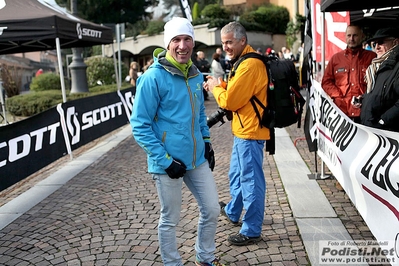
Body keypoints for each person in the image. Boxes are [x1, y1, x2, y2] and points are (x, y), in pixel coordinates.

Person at [130, 17, 224, 266]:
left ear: (193, 42)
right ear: (168, 44)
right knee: (170, 218)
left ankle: (204, 258)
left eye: (187, 39)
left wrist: (206, 141)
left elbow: (199, 115)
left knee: (212, 209)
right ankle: (172, 263)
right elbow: (140, 125)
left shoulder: (194, 75)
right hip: (166, 161)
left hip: (196, 158)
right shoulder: (152, 78)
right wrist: (165, 161)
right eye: (176, 40)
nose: (182, 45)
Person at [203, 21, 270, 246]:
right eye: (223, 43)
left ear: (243, 40)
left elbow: (231, 101)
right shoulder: (242, 61)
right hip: (243, 130)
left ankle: (251, 230)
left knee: (251, 181)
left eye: (230, 42)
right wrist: (220, 83)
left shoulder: (249, 65)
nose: (226, 47)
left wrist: (215, 88)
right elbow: (237, 90)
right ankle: (233, 211)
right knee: (237, 175)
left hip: (250, 132)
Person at [321, 24, 376, 122]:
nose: (352, 38)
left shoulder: (372, 57)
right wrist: (338, 95)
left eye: (355, 35)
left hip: (365, 111)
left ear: (362, 36)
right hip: (342, 111)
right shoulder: (336, 59)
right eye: (349, 35)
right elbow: (326, 82)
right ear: (345, 37)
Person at [360, 27, 399, 132]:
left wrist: (383, 121)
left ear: (395, 42)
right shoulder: (376, 66)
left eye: (381, 42)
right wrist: (363, 99)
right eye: (374, 44)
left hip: (388, 134)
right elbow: (380, 94)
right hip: (372, 129)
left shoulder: (395, 66)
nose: (376, 47)